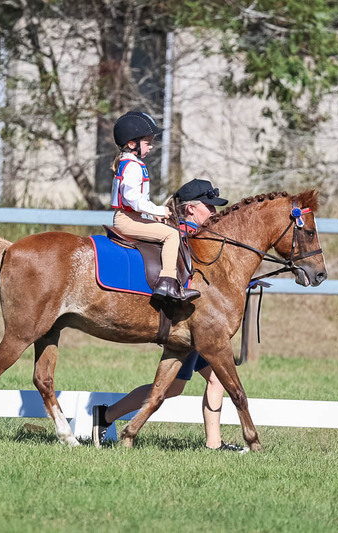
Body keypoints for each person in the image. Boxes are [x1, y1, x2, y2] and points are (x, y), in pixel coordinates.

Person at [94, 178, 248, 453]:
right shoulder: (183, 236)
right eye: (208, 207)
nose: (214, 213)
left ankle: (213, 444)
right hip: (187, 321)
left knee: (207, 381)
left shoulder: (198, 237)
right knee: (177, 387)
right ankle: (105, 416)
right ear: (190, 209)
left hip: (200, 321)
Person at [110, 111, 200, 303]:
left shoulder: (132, 163)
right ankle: (167, 282)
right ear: (132, 144)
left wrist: (152, 215)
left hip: (132, 217)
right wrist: (159, 210)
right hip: (127, 220)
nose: (151, 147)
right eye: (147, 142)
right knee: (172, 234)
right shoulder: (132, 166)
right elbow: (132, 200)